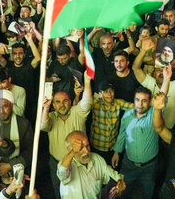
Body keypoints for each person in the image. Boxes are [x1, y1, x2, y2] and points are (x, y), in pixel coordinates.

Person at [41, 71, 92, 199]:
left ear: (70, 102)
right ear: (53, 105)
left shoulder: (77, 112)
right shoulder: (50, 116)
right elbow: (43, 126)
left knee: (80, 194)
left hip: (78, 163)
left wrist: (87, 81)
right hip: (56, 163)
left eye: (65, 101)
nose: (62, 105)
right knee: (60, 194)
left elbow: (87, 101)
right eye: (57, 102)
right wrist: (46, 108)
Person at [0, 89, 33, 185]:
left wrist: (9, 165)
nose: (1, 111)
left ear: (12, 106)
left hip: (19, 170)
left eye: (5, 106)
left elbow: (30, 152)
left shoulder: (23, 124)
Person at [57, 130, 126, 199]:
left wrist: (119, 183)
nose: (86, 151)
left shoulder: (97, 159)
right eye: (80, 148)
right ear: (69, 149)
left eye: (87, 146)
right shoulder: (66, 165)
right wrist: (72, 153)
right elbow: (62, 173)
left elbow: (113, 175)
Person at [89, 81, 133, 163]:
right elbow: (81, 106)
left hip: (112, 148)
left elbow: (135, 107)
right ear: (100, 94)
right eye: (105, 91)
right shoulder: (95, 103)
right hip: (96, 147)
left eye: (111, 91)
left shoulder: (118, 103)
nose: (109, 94)